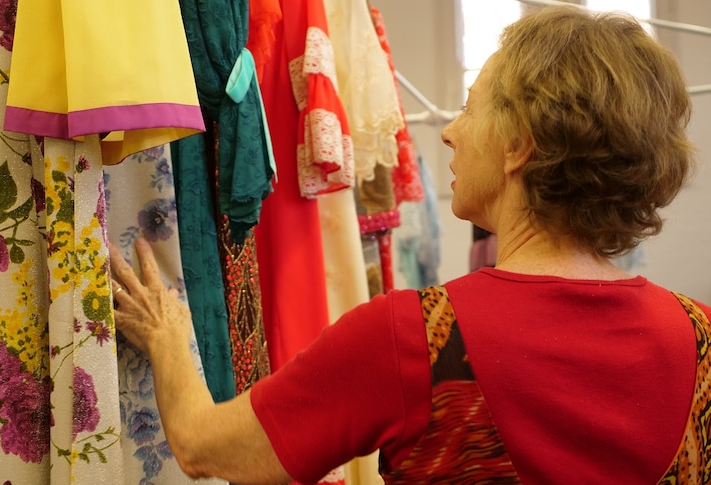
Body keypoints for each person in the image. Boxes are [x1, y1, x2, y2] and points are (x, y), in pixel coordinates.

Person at [109, 5, 711, 485]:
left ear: (519, 145)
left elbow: (206, 446)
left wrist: (165, 335)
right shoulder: (700, 335)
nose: (447, 132)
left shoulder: (413, 337)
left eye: (469, 109)